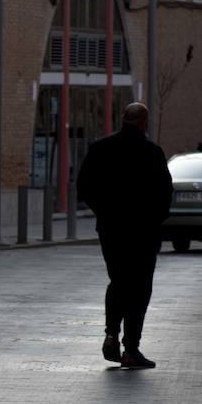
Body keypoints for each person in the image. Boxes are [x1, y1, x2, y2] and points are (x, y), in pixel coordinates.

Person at [76, 102, 173, 369]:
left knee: (118, 281)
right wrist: (154, 219)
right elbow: (166, 194)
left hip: (111, 230)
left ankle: (111, 333)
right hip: (144, 232)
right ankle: (131, 348)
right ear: (144, 122)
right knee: (140, 287)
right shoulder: (152, 153)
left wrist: (104, 212)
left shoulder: (100, 149)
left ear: (123, 120)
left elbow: (83, 187)